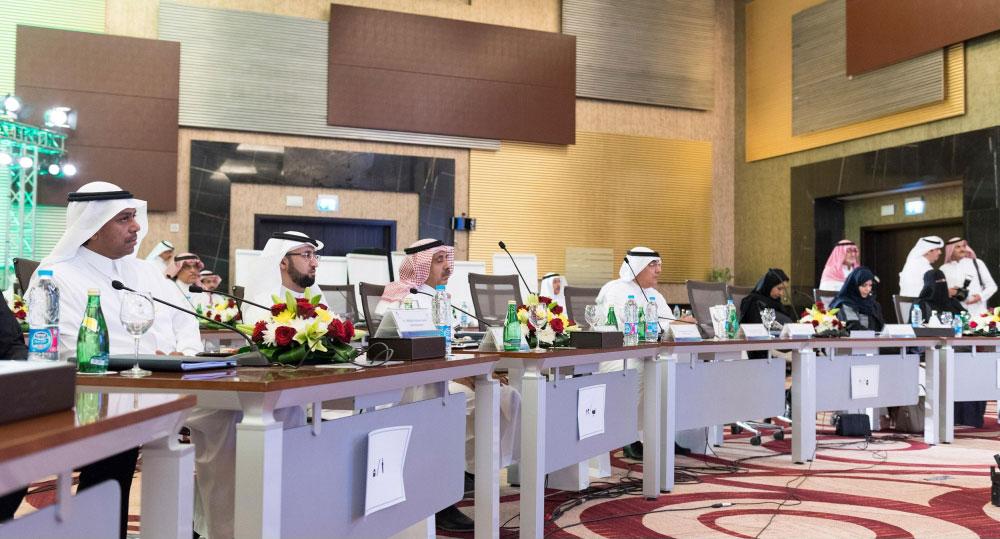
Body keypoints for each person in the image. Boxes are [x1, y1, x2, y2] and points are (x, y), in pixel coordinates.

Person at [24, 181, 202, 539]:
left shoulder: (144, 272)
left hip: (165, 386)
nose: (136, 227)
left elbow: (186, 320)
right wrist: (149, 360)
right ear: (92, 228)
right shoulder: (57, 275)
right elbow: (71, 347)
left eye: (134, 217)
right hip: (97, 395)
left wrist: (184, 354)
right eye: (124, 219)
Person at [377, 239, 521, 533]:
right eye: (438, 259)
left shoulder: (441, 298)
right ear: (419, 264)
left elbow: (447, 347)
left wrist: (476, 373)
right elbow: (408, 352)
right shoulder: (404, 298)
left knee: (506, 395)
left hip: (443, 379)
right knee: (469, 401)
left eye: (448, 259)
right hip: (414, 388)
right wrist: (462, 376)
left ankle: (474, 472)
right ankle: (439, 497)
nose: (447, 266)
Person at [596, 247, 693, 459]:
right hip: (620, 354)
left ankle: (663, 435)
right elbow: (623, 327)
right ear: (637, 266)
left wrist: (682, 323)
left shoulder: (654, 295)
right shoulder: (615, 289)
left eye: (660, 265)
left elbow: (668, 325)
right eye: (653, 265)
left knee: (678, 369)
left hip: (653, 352)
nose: (659, 270)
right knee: (641, 368)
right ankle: (628, 436)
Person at [911, 269, 986, 427]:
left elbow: (966, 322)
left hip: (957, 347)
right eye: (937, 283)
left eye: (943, 282)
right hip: (933, 350)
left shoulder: (952, 303)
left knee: (974, 362)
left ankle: (969, 417)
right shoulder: (920, 305)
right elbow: (914, 332)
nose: (941, 286)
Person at [242, 231, 329, 324]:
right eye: (306, 255)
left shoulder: (320, 307)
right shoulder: (261, 310)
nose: (315, 264)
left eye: (315, 256)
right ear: (283, 262)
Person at [941, 237, 997, 317]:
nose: (962, 249)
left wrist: (980, 297)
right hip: (955, 314)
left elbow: (992, 286)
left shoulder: (977, 263)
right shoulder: (943, 269)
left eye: (964, 246)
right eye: (958, 247)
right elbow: (940, 292)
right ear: (950, 249)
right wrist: (949, 292)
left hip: (978, 313)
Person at [831, 267, 885, 332]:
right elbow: (852, 327)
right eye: (864, 285)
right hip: (855, 338)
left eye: (870, 285)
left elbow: (882, 328)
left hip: (875, 338)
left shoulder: (873, 304)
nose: (868, 289)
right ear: (854, 285)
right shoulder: (845, 304)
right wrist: (872, 334)